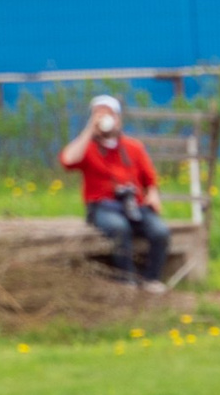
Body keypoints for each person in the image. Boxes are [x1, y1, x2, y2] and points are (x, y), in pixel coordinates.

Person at [60, 93, 173, 290]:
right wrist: (89, 130)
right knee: (120, 229)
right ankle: (126, 280)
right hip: (103, 207)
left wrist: (153, 195)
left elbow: (150, 179)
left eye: (108, 114)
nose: (104, 118)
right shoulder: (87, 148)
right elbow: (68, 160)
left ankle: (151, 280)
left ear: (118, 118)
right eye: (98, 114)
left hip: (134, 205)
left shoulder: (133, 147)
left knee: (160, 231)